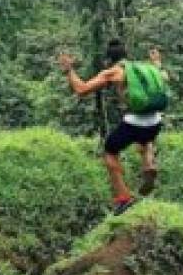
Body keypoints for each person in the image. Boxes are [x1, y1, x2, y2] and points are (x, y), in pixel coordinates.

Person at [57, 39, 168, 215]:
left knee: (110, 152)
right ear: (126, 55)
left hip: (134, 121)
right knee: (145, 140)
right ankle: (148, 165)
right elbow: (163, 78)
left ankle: (124, 197)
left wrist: (69, 70)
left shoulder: (113, 72)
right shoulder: (145, 67)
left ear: (109, 59)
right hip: (155, 119)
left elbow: (82, 89)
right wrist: (156, 63)